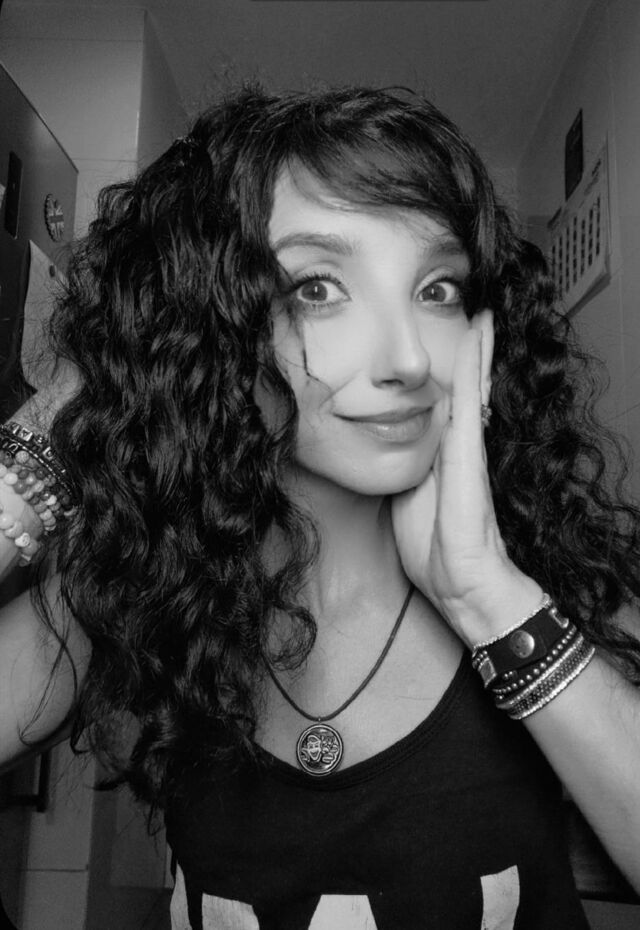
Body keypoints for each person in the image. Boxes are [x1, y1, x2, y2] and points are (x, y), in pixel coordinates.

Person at [1, 84, 640, 929]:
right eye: (318, 288)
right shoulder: (138, 584)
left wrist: (487, 597)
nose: (408, 359)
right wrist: (84, 398)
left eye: (438, 290)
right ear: (215, 323)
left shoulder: (555, 579)